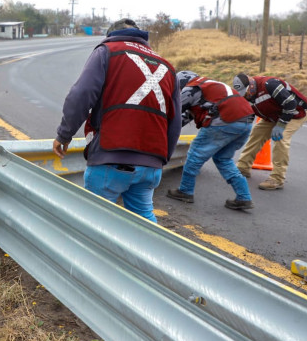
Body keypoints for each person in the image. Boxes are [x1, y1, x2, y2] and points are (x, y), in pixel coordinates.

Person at [52, 18, 181, 223]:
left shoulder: (107, 51)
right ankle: (145, 255)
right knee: (144, 222)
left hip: (111, 158)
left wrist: (64, 134)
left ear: (111, 34)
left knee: (96, 222)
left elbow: (81, 94)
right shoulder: (167, 67)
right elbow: (174, 122)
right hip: (151, 164)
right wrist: (160, 159)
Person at [166, 71, 256, 210]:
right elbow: (184, 117)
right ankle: (244, 197)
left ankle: (185, 191)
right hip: (246, 122)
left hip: (225, 120)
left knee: (195, 154)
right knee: (223, 159)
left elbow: (173, 114)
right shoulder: (210, 86)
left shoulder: (191, 88)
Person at [231, 73, 307, 190]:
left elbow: (290, 104)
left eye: (246, 92)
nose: (245, 96)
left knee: (281, 138)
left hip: (295, 113)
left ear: (251, 85)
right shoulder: (245, 95)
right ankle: (243, 167)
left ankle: (277, 179)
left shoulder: (270, 85)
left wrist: (281, 125)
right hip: (273, 114)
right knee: (257, 133)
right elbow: (249, 112)